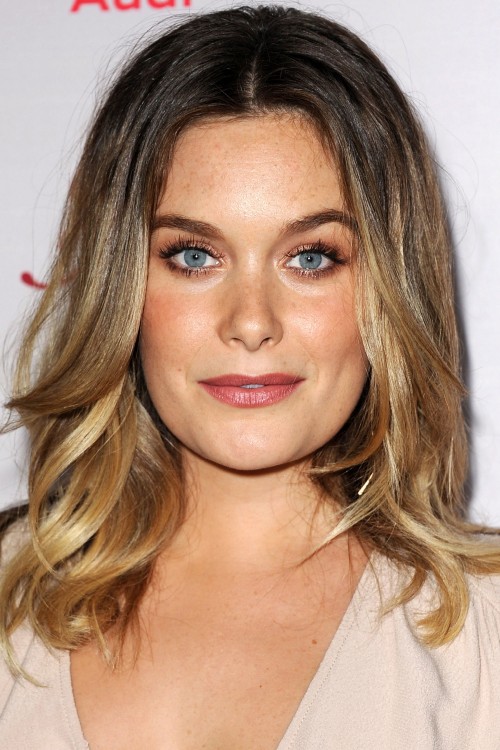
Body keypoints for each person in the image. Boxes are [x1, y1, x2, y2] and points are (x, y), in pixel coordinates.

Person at [1, 4, 499, 748]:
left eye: (311, 258)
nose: (252, 321)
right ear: (120, 284)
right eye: (194, 256)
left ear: (389, 289)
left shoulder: (483, 637)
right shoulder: (9, 595)